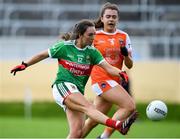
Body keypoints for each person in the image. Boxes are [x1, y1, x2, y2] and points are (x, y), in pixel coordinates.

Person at [10, 19, 137, 138]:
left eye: (94, 34)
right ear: (80, 35)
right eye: (90, 35)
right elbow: (43, 54)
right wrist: (25, 64)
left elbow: (108, 67)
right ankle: (117, 125)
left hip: (77, 91)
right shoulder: (65, 47)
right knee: (90, 107)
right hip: (62, 86)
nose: (93, 38)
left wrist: (120, 73)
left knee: (77, 133)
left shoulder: (92, 52)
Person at [81, 3, 138, 138]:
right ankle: (104, 137)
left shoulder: (124, 36)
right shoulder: (94, 36)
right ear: (102, 18)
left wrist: (125, 55)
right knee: (129, 106)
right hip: (100, 80)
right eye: (108, 16)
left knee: (92, 122)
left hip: (114, 83)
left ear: (118, 19)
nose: (111, 19)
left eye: (114, 17)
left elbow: (129, 65)